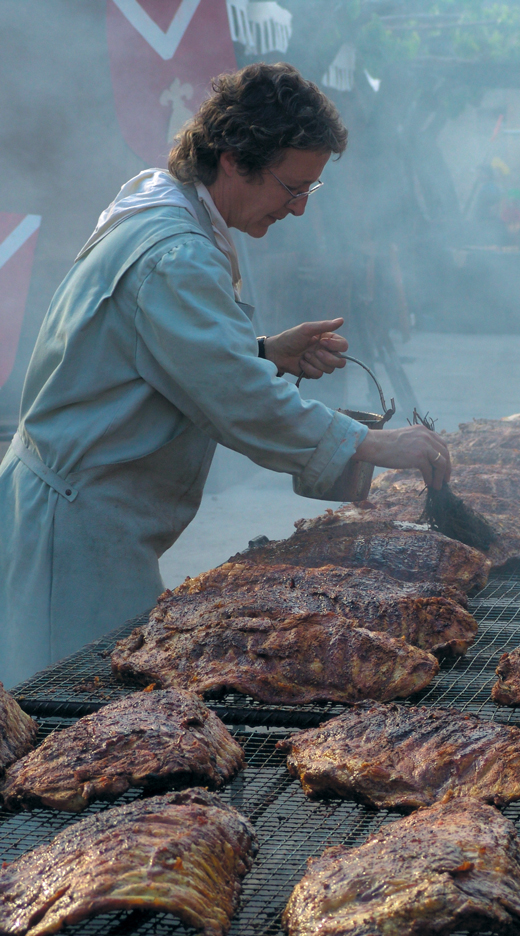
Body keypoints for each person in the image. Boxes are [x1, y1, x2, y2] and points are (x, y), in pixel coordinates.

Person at [0, 63, 450, 687]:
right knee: (70, 716)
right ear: (235, 158)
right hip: (73, 529)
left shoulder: (169, 209)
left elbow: (163, 351)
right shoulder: (175, 252)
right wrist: (371, 442)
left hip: (85, 514)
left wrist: (264, 351)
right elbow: (238, 399)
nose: (298, 208)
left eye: (309, 191)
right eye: (292, 186)